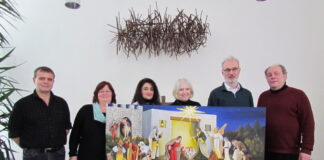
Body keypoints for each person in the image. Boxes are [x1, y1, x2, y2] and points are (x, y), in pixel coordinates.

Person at [8, 66, 72, 160]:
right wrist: (31, 149)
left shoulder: (61, 103)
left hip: (58, 154)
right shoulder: (22, 104)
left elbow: (66, 128)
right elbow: (14, 133)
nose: (46, 82)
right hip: (33, 155)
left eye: (50, 79)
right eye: (42, 78)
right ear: (34, 80)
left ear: (53, 82)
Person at [257, 64, 315, 160]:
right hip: (265, 152)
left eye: (276, 73)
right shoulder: (263, 97)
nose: (273, 77)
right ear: (266, 78)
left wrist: (306, 150)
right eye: (269, 75)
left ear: (284, 76)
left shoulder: (299, 95)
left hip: (290, 153)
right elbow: (259, 123)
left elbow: (308, 123)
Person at [69, 81, 117, 160]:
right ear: (96, 94)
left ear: (112, 94)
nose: (105, 93)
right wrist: (73, 154)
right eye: (101, 91)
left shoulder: (118, 113)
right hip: (87, 155)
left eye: (108, 91)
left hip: (111, 157)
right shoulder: (85, 110)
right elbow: (75, 135)